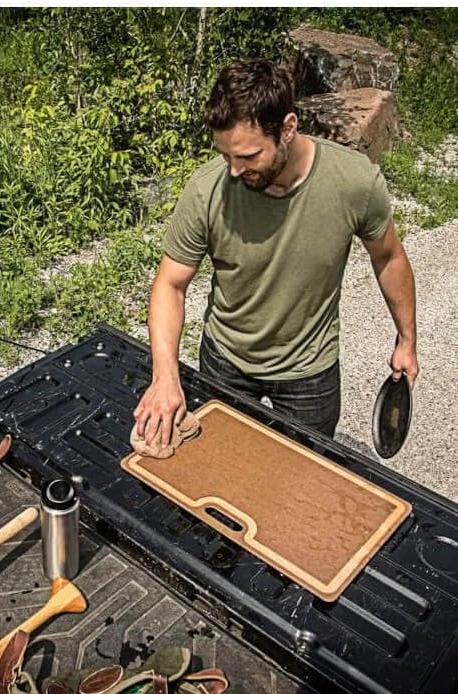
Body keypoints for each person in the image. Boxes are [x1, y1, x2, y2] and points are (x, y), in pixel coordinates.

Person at [133, 58, 418, 448]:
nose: (235, 170)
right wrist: (165, 377)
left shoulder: (354, 183)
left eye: (249, 156)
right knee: (220, 465)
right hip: (225, 361)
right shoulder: (206, 191)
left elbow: (388, 258)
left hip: (309, 373)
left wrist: (406, 340)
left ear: (288, 128)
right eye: (226, 156)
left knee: (302, 477)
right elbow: (170, 284)